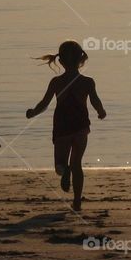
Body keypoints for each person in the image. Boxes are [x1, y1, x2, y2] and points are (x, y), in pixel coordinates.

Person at [26, 41, 106, 211]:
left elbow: (44, 103)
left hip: (62, 127)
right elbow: (95, 100)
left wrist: (33, 112)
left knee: (59, 166)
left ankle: (65, 170)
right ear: (81, 60)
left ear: (60, 61)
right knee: (77, 163)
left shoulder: (56, 82)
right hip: (81, 127)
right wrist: (101, 111)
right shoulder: (87, 82)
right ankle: (77, 201)